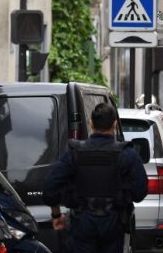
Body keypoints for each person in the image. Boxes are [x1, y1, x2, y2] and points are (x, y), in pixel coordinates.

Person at [44, 103, 148, 253]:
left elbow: (49, 188)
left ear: (91, 123)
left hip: (82, 223)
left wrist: (56, 215)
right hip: (114, 223)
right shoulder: (127, 154)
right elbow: (140, 192)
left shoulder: (75, 152)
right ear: (114, 124)